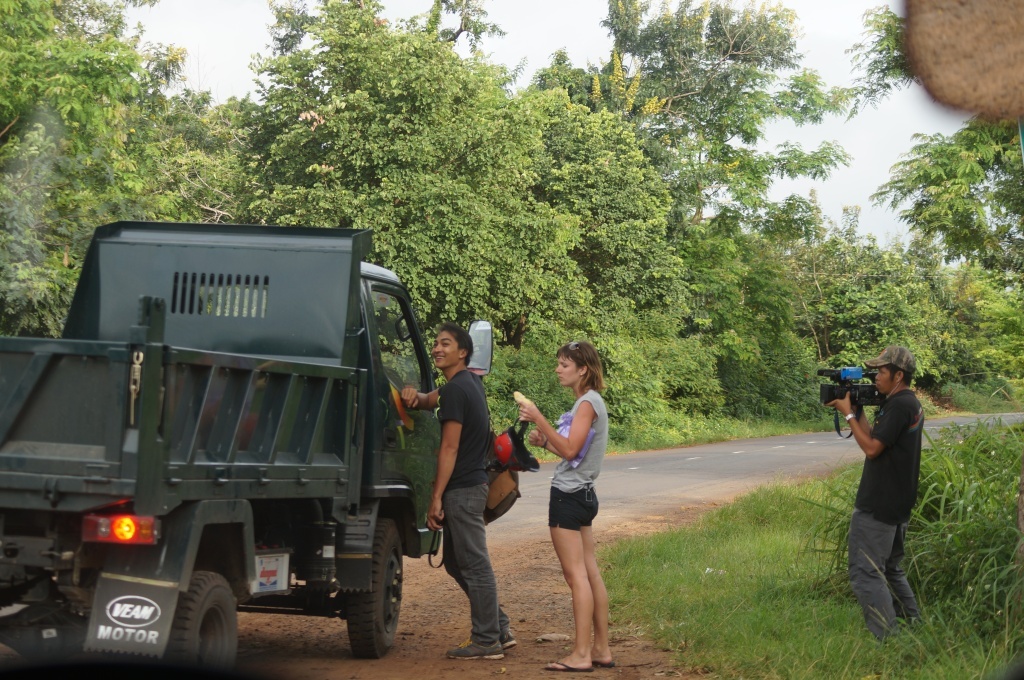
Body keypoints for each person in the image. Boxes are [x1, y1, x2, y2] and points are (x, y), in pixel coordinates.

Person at [400, 322, 514, 660]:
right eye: (435, 343)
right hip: (471, 487)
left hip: (463, 490)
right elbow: (429, 399)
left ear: (462, 352)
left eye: (445, 344)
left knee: (475, 565)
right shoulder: (468, 383)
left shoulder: (456, 390)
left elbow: (448, 449)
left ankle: (487, 640)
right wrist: (414, 397)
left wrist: (435, 498)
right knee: (454, 563)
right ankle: (499, 626)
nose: (436, 348)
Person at [517, 340, 613, 673]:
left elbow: (571, 453)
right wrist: (546, 441)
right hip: (583, 495)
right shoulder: (589, 403)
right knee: (590, 573)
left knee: (577, 578)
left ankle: (582, 654)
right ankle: (600, 649)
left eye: (564, 364)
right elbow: (573, 452)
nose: (558, 369)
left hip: (569, 498)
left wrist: (538, 418)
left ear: (582, 369)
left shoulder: (586, 403)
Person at [826, 345, 924, 640]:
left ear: (898, 375)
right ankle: (913, 627)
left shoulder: (899, 405)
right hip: (896, 501)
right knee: (891, 568)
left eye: (881, 371)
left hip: (879, 503)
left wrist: (848, 418)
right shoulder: (905, 403)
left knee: (866, 572)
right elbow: (876, 438)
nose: (875, 378)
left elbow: (871, 449)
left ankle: (888, 639)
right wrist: (856, 411)